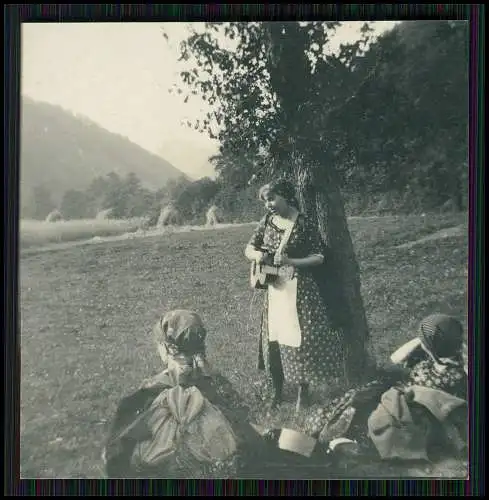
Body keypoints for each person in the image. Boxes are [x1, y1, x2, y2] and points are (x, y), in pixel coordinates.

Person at [102, 309, 281, 478]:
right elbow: (240, 416)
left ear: (166, 348)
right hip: (221, 453)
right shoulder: (213, 381)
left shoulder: (152, 390)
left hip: (169, 461)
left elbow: (123, 438)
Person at [301, 313, 468, 468]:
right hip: (401, 394)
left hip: (407, 407)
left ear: (431, 345)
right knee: (357, 397)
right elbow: (396, 358)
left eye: (423, 340)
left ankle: (341, 440)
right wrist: (422, 341)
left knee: (357, 403)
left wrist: (422, 343)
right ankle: (329, 434)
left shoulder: (446, 374)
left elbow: (403, 372)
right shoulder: (450, 357)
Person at [244, 178, 347, 412]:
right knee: (275, 338)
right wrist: (257, 256)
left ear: (285, 196)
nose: (268, 205)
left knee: (299, 340)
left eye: (271, 199)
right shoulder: (267, 222)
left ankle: (303, 392)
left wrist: (292, 261)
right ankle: (277, 391)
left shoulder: (302, 223)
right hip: (274, 290)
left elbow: (319, 256)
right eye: (265, 201)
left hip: (299, 289)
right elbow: (249, 247)